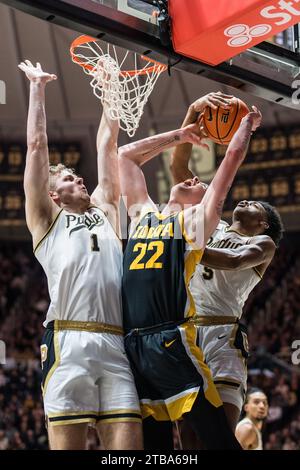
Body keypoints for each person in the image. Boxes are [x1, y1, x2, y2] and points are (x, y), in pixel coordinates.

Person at [118, 93, 262, 448]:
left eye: (201, 186)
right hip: (134, 344)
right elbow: (126, 157)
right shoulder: (142, 215)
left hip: (172, 340)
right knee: (157, 450)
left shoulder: (193, 227)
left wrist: (245, 127)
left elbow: (230, 160)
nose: (196, 181)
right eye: (196, 181)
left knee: (215, 440)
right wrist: (180, 135)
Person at [18, 60, 142, 450]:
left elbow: (108, 143)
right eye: (70, 178)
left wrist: (110, 89)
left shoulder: (108, 212)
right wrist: (38, 88)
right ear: (54, 195)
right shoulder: (46, 221)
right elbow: (37, 147)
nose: (80, 178)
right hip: (68, 342)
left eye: (78, 175)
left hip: (116, 344)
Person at [170, 92, 283, 436]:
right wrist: (192, 111)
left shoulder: (261, 244)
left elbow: (234, 261)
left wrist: (184, 249)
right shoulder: (212, 223)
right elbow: (179, 170)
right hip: (186, 331)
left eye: (256, 205)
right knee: (187, 438)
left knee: (219, 435)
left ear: (263, 223)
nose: (245, 199)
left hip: (222, 335)